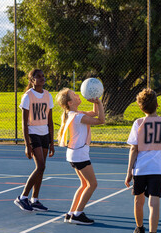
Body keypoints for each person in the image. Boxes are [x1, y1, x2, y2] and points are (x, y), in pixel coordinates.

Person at [125, 88, 161, 233]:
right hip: (157, 169)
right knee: (154, 203)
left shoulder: (138, 123)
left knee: (138, 201)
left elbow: (134, 149)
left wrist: (129, 172)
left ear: (141, 107)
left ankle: (140, 229)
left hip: (140, 169)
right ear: (157, 104)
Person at [56, 88, 105, 225]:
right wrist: (100, 102)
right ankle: (78, 214)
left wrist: (95, 100)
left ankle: (71, 212)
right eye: (74, 95)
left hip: (74, 154)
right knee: (93, 184)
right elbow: (101, 120)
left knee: (84, 184)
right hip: (79, 154)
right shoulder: (78, 117)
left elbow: (94, 113)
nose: (78, 95)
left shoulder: (74, 113)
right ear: (71, 103)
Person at [14, 69, 55, 212]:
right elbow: (24, 123)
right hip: (33, 133)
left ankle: (35, 200)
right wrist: (27, 145)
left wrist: (52, 142)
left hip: (45, 133)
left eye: (43, 76)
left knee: (42, 168)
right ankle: (23, 197)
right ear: (32, 80)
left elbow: (50, 120)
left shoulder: (48, 95)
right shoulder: (27, 96)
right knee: (40, 166)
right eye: (38, 77)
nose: (42, 79)